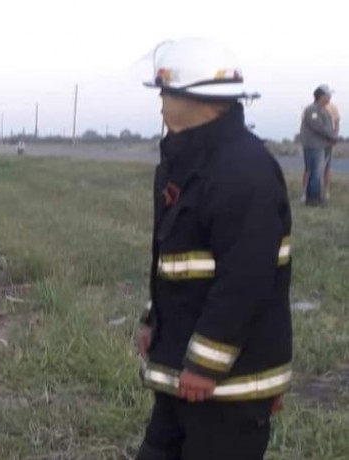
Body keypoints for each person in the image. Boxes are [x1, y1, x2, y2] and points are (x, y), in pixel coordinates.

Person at [136, 38, 293, 460]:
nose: (161, 103)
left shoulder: (243, 171)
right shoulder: (187, 163)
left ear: (198, 100)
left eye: (166, 92)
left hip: (226, 389)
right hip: (183, 378)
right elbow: (177, 262)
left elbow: (246, 280)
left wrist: (206, 365)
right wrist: (156, 322)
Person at [299, 84, 338, 206]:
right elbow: (318, 127)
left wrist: (331, 138)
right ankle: (313, 199)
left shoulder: (323, 110)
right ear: (321, 96)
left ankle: (315, 197)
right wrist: (332, 136)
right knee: (315, 173)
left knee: (318, 173)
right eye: (328, 95)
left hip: (322, 146)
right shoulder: (312, 110)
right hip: (314, 147)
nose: (330, 97)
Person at [325, 96, 340, 199]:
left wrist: (334, 136)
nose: (329, 97)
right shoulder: (312, 107)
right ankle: (308, 191)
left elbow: (337, 122)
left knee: (327, 167)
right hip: (315, 143)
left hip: (328, 141)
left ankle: (326, 191)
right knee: (311, 168)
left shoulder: (333, 107)